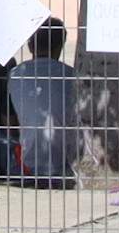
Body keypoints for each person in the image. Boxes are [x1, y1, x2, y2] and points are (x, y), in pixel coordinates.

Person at [5, 17, 83, 183]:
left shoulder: (15, 74)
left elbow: (10, 122)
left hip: (27, 166)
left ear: (30, 45)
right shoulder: (73, 76)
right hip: (65, 165)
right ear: (60, 46)